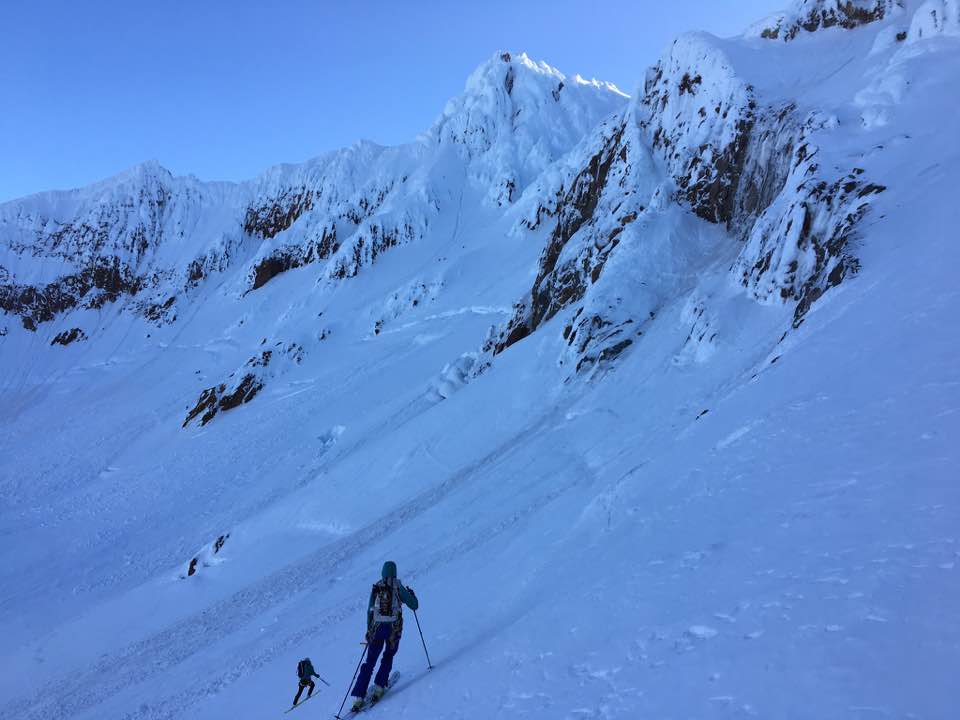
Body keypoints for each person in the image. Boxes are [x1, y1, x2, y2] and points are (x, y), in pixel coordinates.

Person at [350, 561, 418, 711]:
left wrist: (369, 630)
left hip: (377, 629)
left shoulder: (377, 587)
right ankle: (380, 687)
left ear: (382, 572)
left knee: (369, 662)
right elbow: (414, 605)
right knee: (388, 656)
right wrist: (411, 595)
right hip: (394, 629)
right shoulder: (398, 587)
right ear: (395, 572)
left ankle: (358, 697)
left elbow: (369, 611)